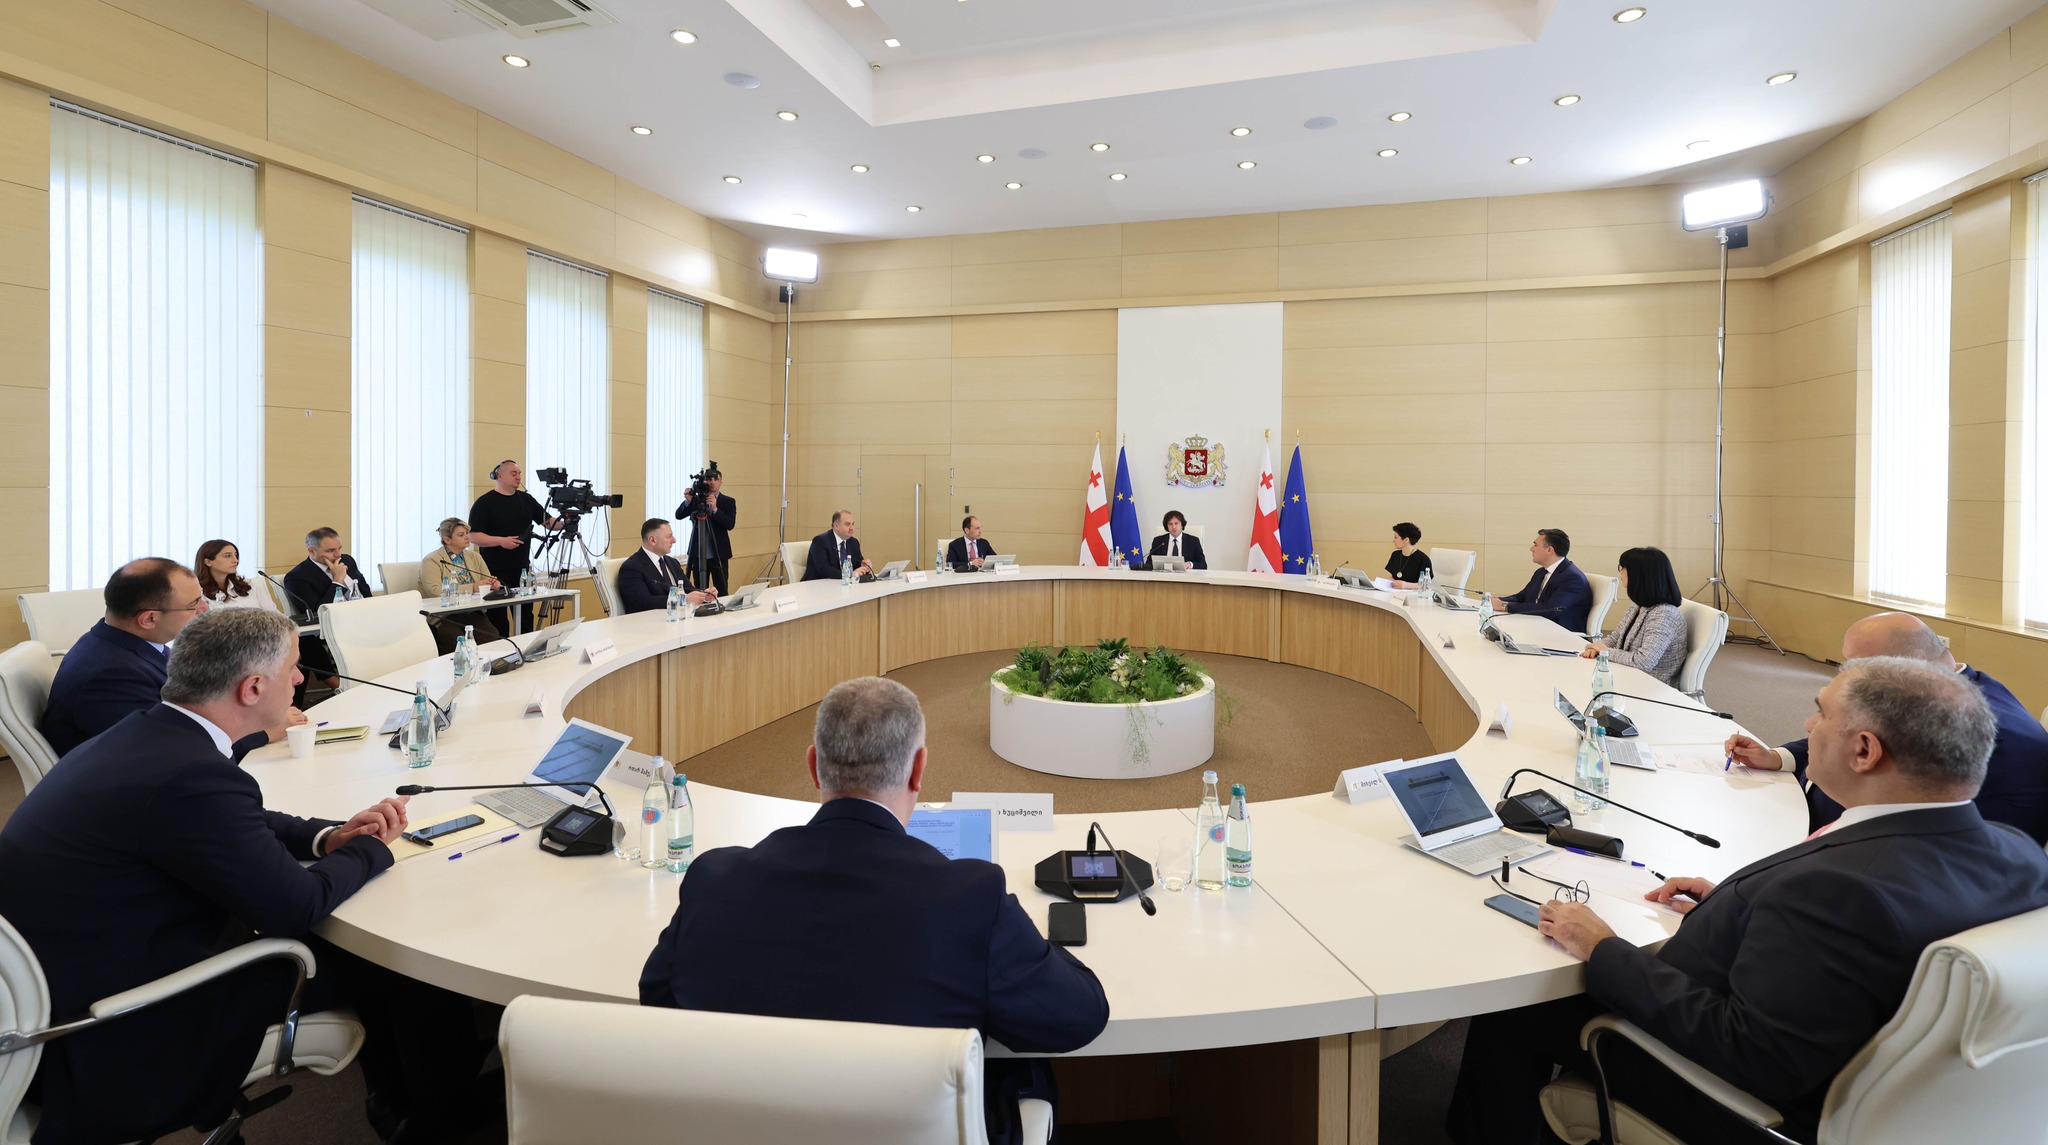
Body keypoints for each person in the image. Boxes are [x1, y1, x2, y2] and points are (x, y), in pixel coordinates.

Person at [1449, 656, 2048, 1145]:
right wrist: (1742, 912)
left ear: (1865, 751)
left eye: (1821, 714)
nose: (1808, 725)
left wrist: (1603, 946)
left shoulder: (1834, 894)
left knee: (1519, 1008)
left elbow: (1751, 1054)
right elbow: (1867, 949)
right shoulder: (2018, 851)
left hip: (1746, 1104)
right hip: (1907, 1091)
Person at [0, 609, 497, 1144]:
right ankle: (443, 1122)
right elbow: (295, 906)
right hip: (123, 1027)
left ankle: (396, 1100)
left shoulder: (150, 734)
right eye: (294, 667)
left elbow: (237, 817)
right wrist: (372, 850)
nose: (301, 678)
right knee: (401, 965)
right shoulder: (191, 773)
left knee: (366, 950)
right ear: (253, 687)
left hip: (74, 979)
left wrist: (328, 837)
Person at [639, 677, 1109, 1145]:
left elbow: (658, 998)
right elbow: (1078, 1016)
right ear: (918, 769)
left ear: (813, 767)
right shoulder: (970, 897)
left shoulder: (713, 880)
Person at [1725, 611, 2048, 843]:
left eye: (1857, 668)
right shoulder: (1949, 689)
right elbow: (1853, 733)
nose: (1846, 678)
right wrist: (1779, 757)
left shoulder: (1974, 727)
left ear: (1903, 669)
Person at [42, 558, 231, 758]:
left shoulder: (115, 641)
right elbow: (170, 750)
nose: (204, 608)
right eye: (194, 604)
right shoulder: (113, 677)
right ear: (149, 619)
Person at [1578, 546, 1688, 687]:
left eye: (1622, 567)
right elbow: (1616, 637)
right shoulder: (1639, 605)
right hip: (1627, 674)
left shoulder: (1664, 614)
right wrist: (1596, 648)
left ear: (1638, 574)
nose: (1620, 571)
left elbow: (1644, 662)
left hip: (1649, 686)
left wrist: (1604, 651)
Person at [467, 459, 562, 590]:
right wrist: (501, 541)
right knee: (498, 603)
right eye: (513, 474)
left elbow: (548, 522)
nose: (518, 477)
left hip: (522, 569)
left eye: (519, 473)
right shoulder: (484, 503)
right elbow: (473, 536)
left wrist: (566, 522)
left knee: (525, 603)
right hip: (493, 571)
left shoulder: (526, 499)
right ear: (499, 476)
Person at [419, 518, 504, 653]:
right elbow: (435, 591)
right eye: (461, 535)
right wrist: (472, 587)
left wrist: (493, 584)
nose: (467, 537)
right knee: (455, 640)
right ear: (447, 540)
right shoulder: (432, 560)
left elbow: (486, 580)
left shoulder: (475, 557)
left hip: (471, 611)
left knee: (491, 635)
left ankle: (483, 664)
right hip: (444, 615)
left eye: (466, 533)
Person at [1489, 528, 1592, 634]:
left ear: (1549, 550)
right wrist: (1497, 601)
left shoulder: (1572, 578)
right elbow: (1522, 597)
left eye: (1535, 545)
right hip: (1538, 627)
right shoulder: (1541, 572)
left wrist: (1505, 606)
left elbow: (1551, 609)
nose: (1531, 549)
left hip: (1559, 634)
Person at [617, 518, 716, 615]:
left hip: (680, 617)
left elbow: (688, 589)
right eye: (669, 536)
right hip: (650, 622)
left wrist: (704, 595)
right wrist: (683, 599)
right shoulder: (632, 567)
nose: (674, 540)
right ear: (652, 540)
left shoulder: (672, 562)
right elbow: (643, 602)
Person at [675, 466, 737, 595]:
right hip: (698, 554)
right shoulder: (696, 500)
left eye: (716, 479)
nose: (712, 482)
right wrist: (688, 502)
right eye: (709, 479)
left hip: (719, 554)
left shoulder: (728, 501)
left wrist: (715, 510)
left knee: (721, 590)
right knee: (700, 591)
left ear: (721, 482)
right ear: (704, 481)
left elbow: (730, 524)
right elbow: (678, 515)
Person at [194, 539, 276, 610]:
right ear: (208, 562)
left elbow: (274, 614)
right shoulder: (196, 591)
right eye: (228, 556)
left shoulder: (248, 585)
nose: (235, 560)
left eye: (235, 555)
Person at [803, 510, 872, 581]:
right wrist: (850, 574)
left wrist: (865, 567)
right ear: (836, 526)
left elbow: (857, 565)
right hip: (816, 584)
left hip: (841, 584)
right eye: (847, 524)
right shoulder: (820, 541)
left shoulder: (853, 542)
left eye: (853, 524)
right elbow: (823, 569)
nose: (852, 528)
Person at [1383, 522, 1432, 587]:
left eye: (1396, 537)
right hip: (1395, 591)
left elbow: (1425, 584)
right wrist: (1393, 583)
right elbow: (1391, 576)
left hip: (1414, 593)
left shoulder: (1423, 559)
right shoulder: (1395, 555)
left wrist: (1406, 585)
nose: (1393, 540)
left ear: (1406, 540)